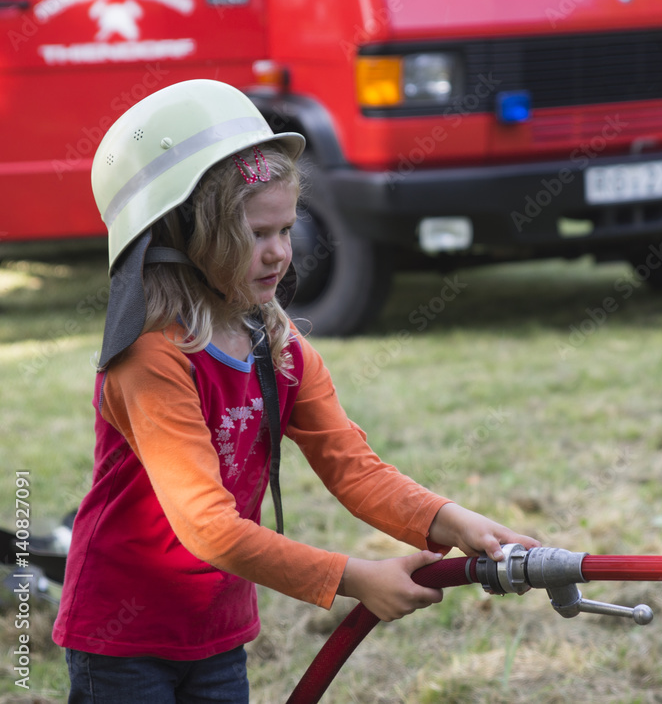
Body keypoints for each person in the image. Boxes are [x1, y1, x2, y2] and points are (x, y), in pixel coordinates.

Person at [51, 79, 539, 703]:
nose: (281, 252)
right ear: (184, 231)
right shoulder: (152, 358)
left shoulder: (279, 350)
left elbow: (355, 470)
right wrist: (354, 577)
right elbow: (208, 528)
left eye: (287, 229)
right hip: (122, 638)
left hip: (217, 630)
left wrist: (455, 523)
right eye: (256, 234)